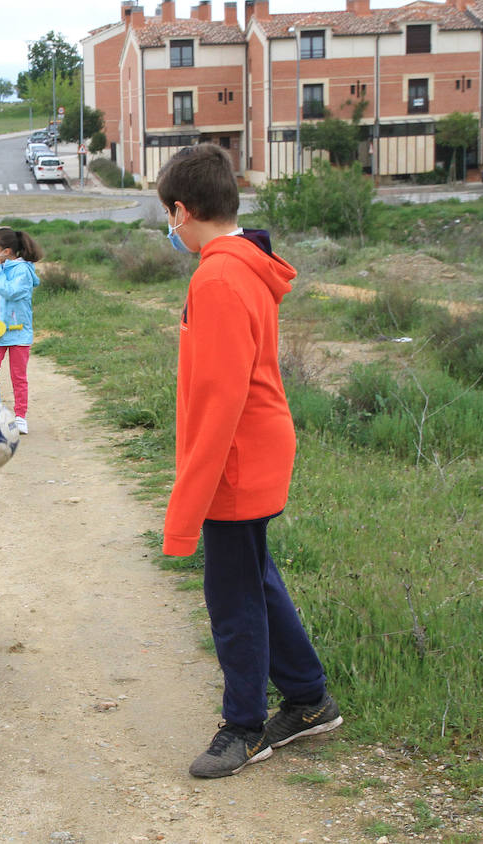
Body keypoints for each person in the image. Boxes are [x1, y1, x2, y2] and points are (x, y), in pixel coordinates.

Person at [155, 144, 341, 779]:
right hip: (257, 446)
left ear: (181, 210)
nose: (170, 229)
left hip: (235, 456)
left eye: (168, 217)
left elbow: (219, 398)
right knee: (255, 575)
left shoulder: (219, 276)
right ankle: (310, 699)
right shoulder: (239, 262)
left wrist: (189, 497)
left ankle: (243, 727)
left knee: (232, 593)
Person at [0, 227, 42, 435]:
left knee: (18, 375)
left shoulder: (22, 271)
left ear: (6, 251)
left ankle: (20, 415)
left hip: (19, 332)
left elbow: (10, 292)